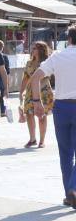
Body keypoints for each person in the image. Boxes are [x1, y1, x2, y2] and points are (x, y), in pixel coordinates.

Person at [31, 26, 76, 208]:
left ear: (69, 39)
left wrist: (37, 102)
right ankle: (74, 188)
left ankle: (69, 194)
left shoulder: (58, 56)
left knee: (65, 153)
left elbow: (35, 78)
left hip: (62, 107)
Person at [19, 41, 54, 149]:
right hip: (30, 92)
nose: (32, 50)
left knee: (42, 116)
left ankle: (42, 141)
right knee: (29, 114)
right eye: (32, 48)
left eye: (34, 48)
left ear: (41, 50)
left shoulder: (47, 62)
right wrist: (21, 92)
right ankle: (32, 139)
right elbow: (25, 78)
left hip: (44, 92)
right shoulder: (29, 63)